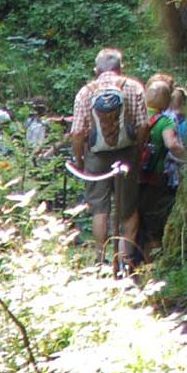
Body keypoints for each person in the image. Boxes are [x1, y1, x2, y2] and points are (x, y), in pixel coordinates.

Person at [68, 49, 150, 267]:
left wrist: (79, 160)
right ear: (120, 68)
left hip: (96, 156)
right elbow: (143, 126)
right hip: (126, 154)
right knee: (128, 209)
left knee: (99, 208)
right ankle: (125, 262)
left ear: (97, 70)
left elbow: (77, 133)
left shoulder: (86, 92)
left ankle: (101, 259)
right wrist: (137, 151)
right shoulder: (133, 87)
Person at [137, 73, 187, 257]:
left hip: (130, 176)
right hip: (154, 178)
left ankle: (129, 260)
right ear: (167, 102)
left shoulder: (135, 115)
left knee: (132, 218)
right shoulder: (165, 120)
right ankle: (151, 264)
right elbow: (172, 144)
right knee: (153, 221)